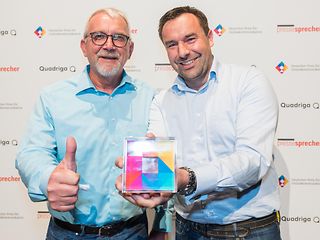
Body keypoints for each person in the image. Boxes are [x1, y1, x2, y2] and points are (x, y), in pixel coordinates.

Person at [116, 6, 282, 240]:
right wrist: (138, 176)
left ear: (210, 37)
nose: (182, 52)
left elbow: (253, 161)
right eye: (171, 44)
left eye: (190, 39)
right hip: (187, 230)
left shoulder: (248, 83)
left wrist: (188, 178)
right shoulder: (161, 101)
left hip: (248, 230)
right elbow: (159, 168)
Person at [15, 7, 170, 240]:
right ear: (83, 46)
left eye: (119, 37)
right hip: (66, 233)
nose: (109, 45)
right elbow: (31, 153)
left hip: (131, 232)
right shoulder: (53, 97)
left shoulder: (151, 98)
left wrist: (161, 225)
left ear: (130, 49)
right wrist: (48, 178)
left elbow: (160, 170)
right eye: (98, 36)